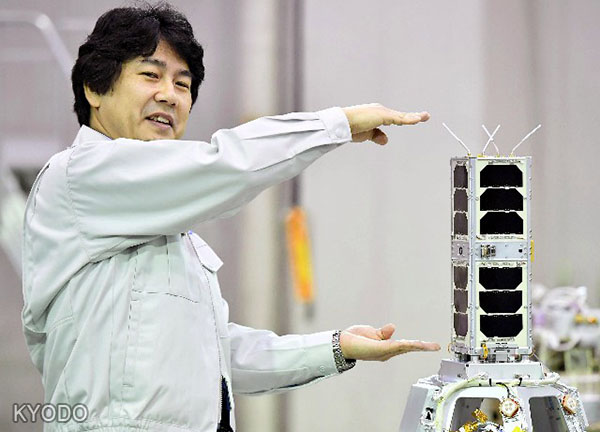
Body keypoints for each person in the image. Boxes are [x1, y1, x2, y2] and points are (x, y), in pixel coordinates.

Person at [21, 3, 439, 432]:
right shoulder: (79, 176)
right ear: (94, 88)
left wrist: (336, 348)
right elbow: (225, 166)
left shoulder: (165, 229)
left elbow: (218, 354)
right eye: (150, 75)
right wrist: (336, 125)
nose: (169, 95)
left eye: (183, 84)